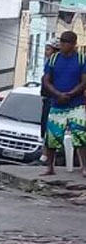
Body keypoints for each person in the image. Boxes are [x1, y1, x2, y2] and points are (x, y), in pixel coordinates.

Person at [41, 31, 86, 177]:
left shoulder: (81, 59)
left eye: (65, 42)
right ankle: (50, 167)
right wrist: (57, 94)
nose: (62, 44)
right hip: (57, 103)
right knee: (52, 137)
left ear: (73, 44)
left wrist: (71, 94)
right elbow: (46, 80)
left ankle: (84, 167)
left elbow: (84, 81)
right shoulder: (54, 59)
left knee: (81, 135)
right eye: (61, 41)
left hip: (76, 104)